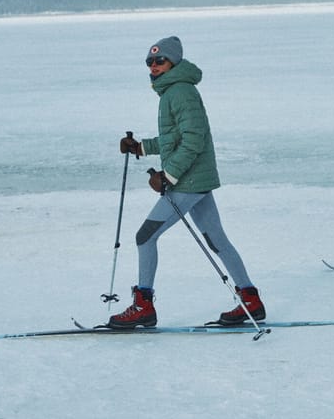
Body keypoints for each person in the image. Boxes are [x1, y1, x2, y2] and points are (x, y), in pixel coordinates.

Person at [108, 36, 265, 328]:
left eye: (160, 61)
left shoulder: (179, 92)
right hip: (196, 179)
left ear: (174, 62)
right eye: (150, 62)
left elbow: (194, 140)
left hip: (188, 181)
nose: (154, 67)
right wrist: (141, 147)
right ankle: (250, 301)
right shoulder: (174, 91)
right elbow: (175, 139)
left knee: (145, 236)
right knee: (218, 240)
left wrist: (168, 176)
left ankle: (144, 305)